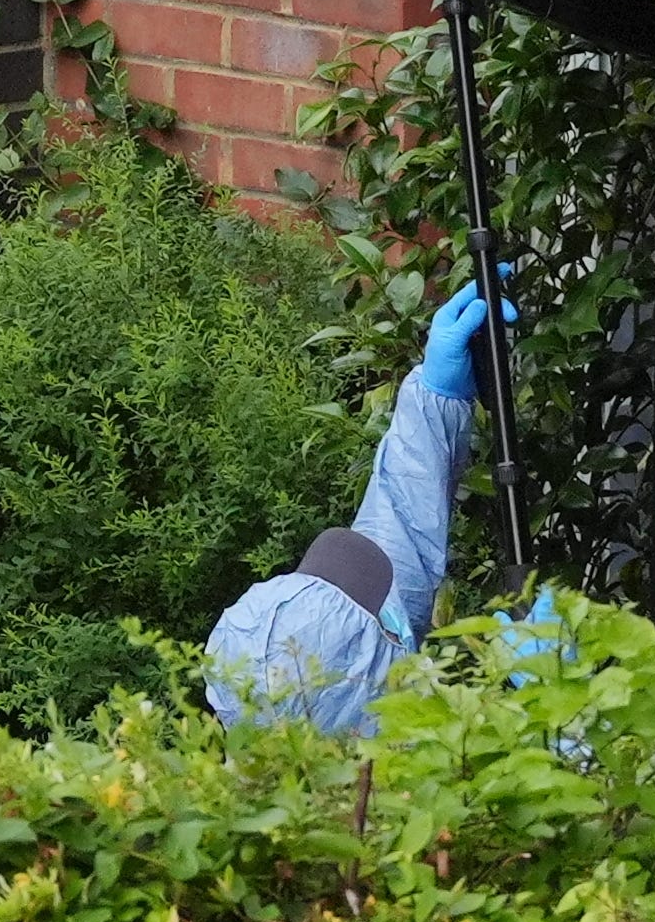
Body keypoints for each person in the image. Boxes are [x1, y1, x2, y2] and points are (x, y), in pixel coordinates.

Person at [204, 277, 503, 737]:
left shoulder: (347, 730)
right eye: (379, 628)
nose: (391, 609)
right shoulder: (421, 799)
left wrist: (435, 399)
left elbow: (398, 535)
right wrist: (558, 717)